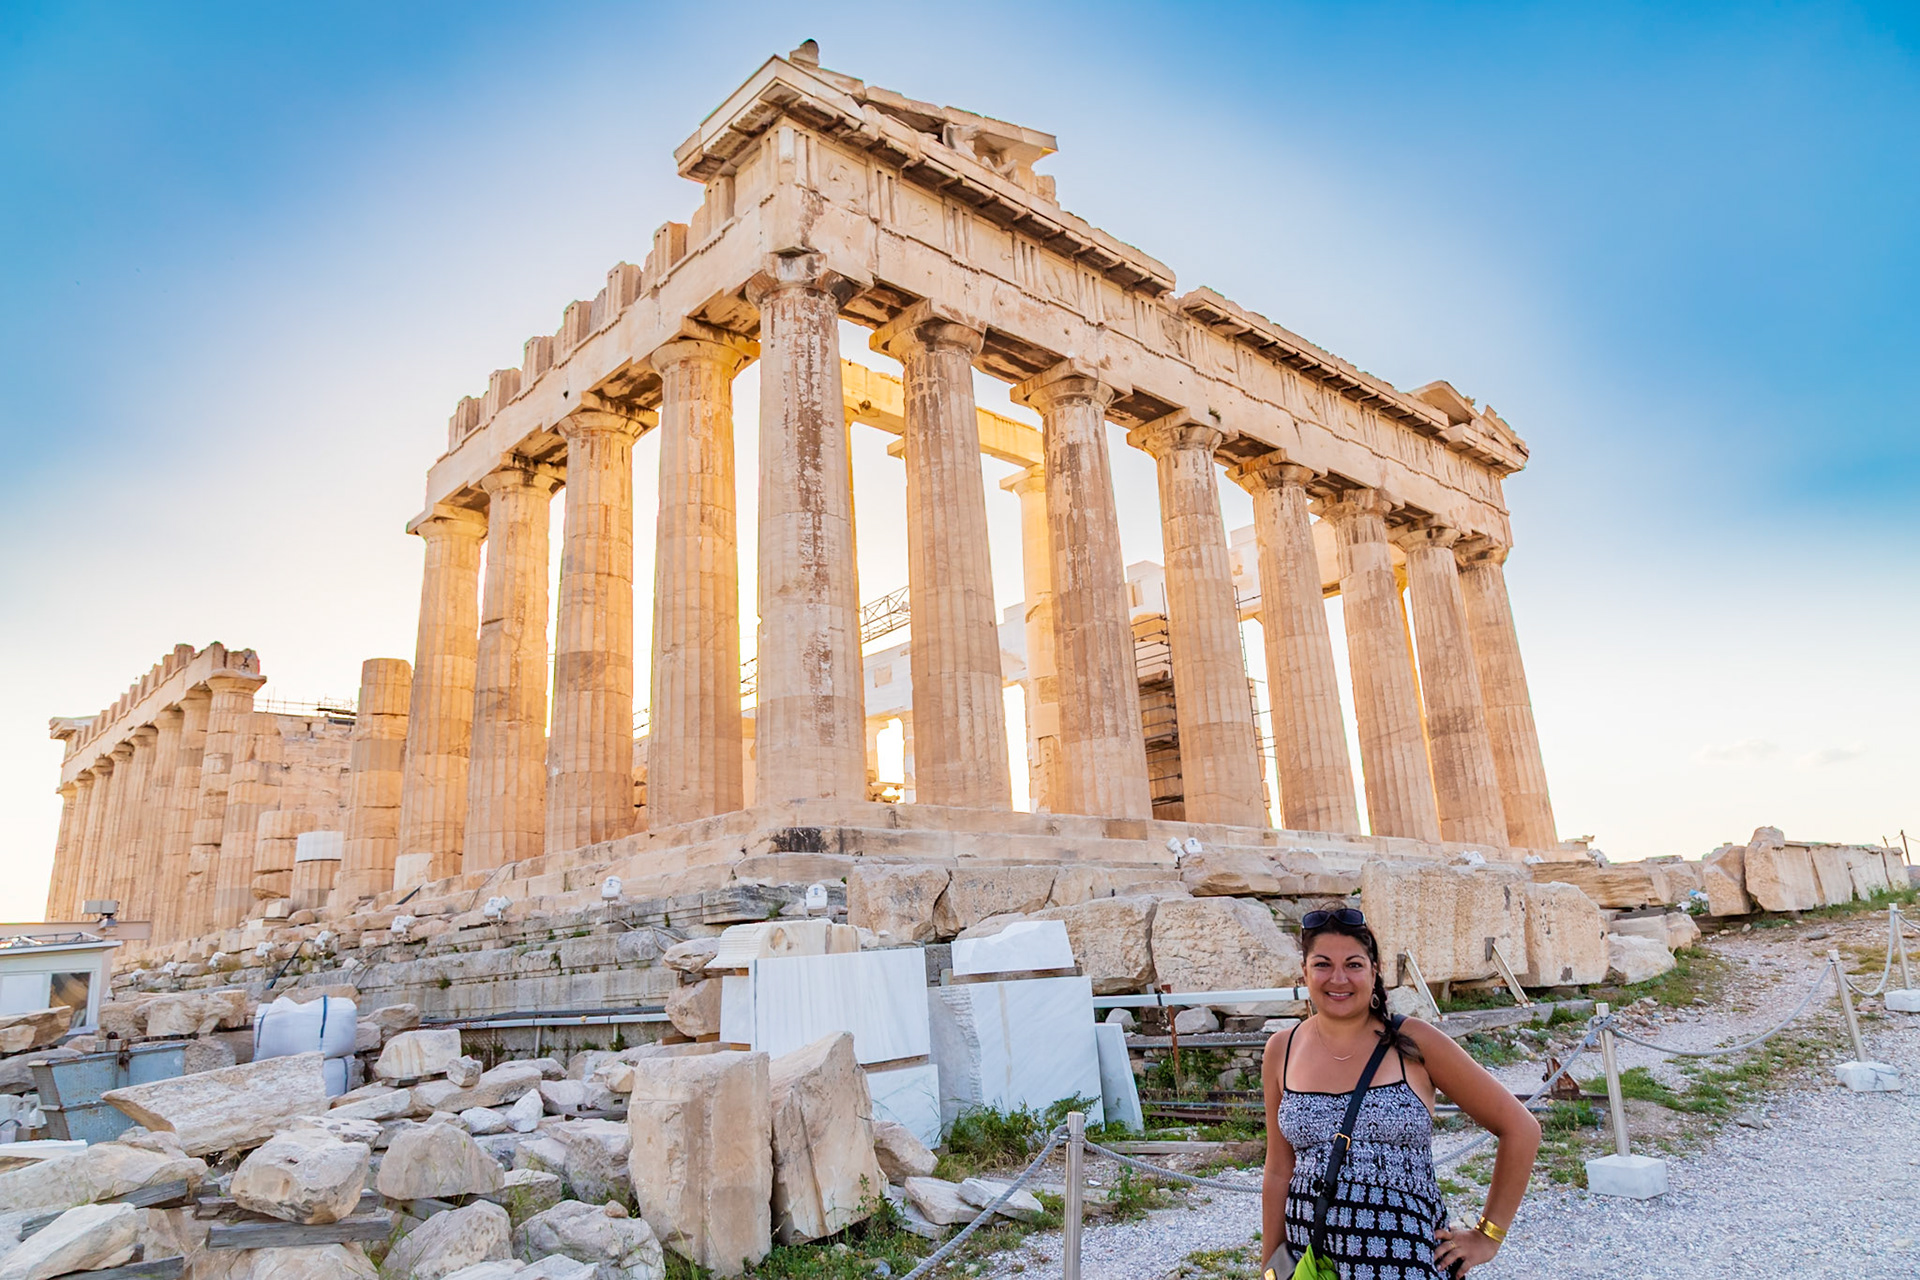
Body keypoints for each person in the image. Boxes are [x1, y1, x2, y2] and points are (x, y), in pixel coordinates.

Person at [1260, 906, 1541, 1278]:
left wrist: (1487, 1236)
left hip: (1402, 1264)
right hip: (1314, 1264)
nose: (1338, 978)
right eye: (1323, 964)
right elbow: (1279, 1170)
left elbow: (1520, 1128)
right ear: (1305, 973)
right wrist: (1270, 1266)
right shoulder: (1282, 1049)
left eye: (1354, 965)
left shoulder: (1414, 1041)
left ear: (1374, 971)